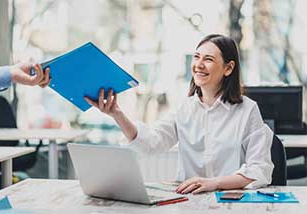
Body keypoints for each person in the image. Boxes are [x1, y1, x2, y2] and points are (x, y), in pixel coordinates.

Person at [84, 34, 274, 194]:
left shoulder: (247, 110)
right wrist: (116, 113)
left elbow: (260, 169)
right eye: (197, 57)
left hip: (231, 204)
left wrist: (215, 183)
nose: (199, 65)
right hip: (190, 202)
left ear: (228, 68)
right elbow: (151, 142)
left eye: (208, 59)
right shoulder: (184, 109)